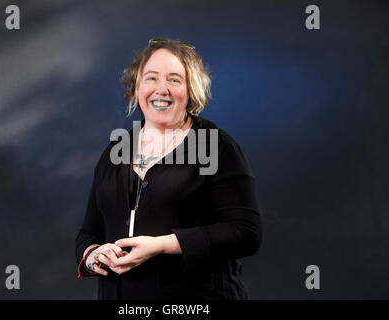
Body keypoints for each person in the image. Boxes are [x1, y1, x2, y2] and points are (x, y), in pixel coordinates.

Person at [75, 39, 262, 300]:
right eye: (151, 78)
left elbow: (246, 233)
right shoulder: (114, 153)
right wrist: (94, 255)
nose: (161, 89)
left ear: (190, 91)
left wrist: (162, 245)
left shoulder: (218, 147)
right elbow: (88, 233)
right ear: (137, 86)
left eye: (174, 80)